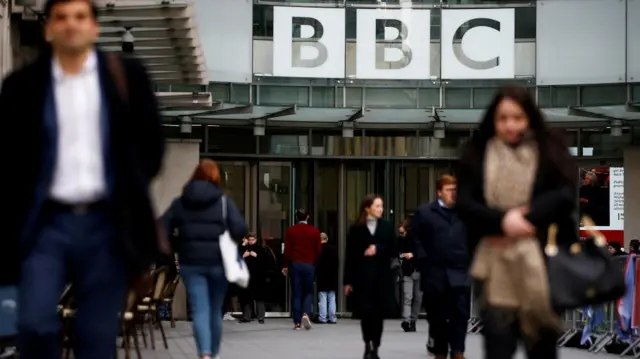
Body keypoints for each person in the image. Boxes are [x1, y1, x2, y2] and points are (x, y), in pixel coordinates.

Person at [0, 0, 165, 358]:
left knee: (95, 336)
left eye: (80, 17)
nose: (70, 25)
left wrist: (126, 189)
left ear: (95, 28)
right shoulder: (22, 86)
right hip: (46, 224)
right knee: (34, 324)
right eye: (61, 17)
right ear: (48, 28)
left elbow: (152, 145)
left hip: (106, 223)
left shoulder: (126, 78)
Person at [456, 84, 577, 359]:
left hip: (543, 263)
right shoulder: (477, 154)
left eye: (518, 117)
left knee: (542, 347)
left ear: (530, 117)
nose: (510, 125)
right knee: (499, 346)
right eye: (503, 118)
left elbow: (564, 195)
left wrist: (526, 218)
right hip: (494, 266)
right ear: (493, 119)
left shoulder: (549, 150)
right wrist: (503, 222)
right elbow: (466, 204)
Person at [162, 159, 248, 359]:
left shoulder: (180, 203)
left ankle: (205, 354)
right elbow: (240, 228)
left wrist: (178, 244)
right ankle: (212, 353)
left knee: (200, 308)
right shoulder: (224, 202)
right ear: (216, 177)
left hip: (191, 262)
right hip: (219, 262)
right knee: (214, 310)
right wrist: (229, 240)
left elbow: (162, 228)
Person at [408, 175, 469, 359]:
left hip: (460, 271)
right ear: (439, 192)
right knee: (437, 316)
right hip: (435, 273)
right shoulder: (425, 212)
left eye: (455, 189)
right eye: (449, 190)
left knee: (460, 314)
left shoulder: (465, 212)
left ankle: (458, 350)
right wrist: (423, 258)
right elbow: (414, 238)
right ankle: (440, 351)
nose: (453, 193)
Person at [344, 195, 397, 359]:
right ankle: (367, 343)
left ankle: (376, 345)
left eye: (382, 206)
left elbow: (394, 249)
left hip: (381, 278)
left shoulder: (387, 227)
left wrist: (378, 249)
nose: (380, 209)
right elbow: (350, 256)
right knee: (366, 314)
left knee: (378, 315)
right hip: (362, 278)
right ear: (368, 208)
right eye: (377, 206)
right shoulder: (356, 229)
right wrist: (347, 281)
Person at [283, 209, 322, 330]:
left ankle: (297, 322)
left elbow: (287, 250)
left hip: (295, 264)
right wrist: (315, 263)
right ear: (308, 217)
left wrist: (285, 265)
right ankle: (306, 313)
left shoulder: (291, 231)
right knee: (309, 291)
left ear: (296, 218)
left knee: (296, 293)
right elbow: (318, 251)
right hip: (309, 264)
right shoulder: (314, 231)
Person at [398, 221, 422, 332]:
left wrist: (413, 254)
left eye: (402, 232)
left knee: (417, 298)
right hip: (408, 271)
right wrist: (402, 255)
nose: (401, 235)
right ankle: (407, 321)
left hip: (418, 270)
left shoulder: (419, 240)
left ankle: (413, 320)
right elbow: (397, 252)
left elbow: (424, 253)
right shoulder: (401, 241)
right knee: (408, 297)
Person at [239, 233, 268, 324]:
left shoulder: (261, 249)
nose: (251, 242)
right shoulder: (244, 249)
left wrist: (257, 256)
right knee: (246, 297)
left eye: (253, 240)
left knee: (259, 297)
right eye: (250, 240)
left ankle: (260, 317)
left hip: (258, 276)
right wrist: (243, 255)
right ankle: (247, 316)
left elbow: (265, 262)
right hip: (247, 276)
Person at [316, 232, 339, 324]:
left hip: (322, 276)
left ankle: (322, 318)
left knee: (322, 297)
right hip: (332, 276)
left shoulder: (318, 249)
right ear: (327, 239)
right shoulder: (334, 249)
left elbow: (317, 264)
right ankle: (332, 318)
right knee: (332, 297)